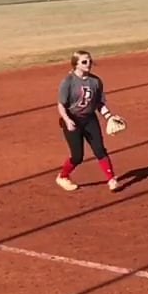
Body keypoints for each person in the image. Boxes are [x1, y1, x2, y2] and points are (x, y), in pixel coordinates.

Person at [56, 50, 121, 193]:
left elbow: (99, 103)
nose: (89, 64)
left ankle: (111, 179)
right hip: (73, 120)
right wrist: (67, 120)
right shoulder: (68, 82)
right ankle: (63, 176)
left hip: (90, 119)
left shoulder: (95, 81)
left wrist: (109, 116)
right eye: (84, 62)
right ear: (76, 64)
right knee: (77, 156)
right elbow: (61, 105)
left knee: (99, 149)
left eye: (90, 61)